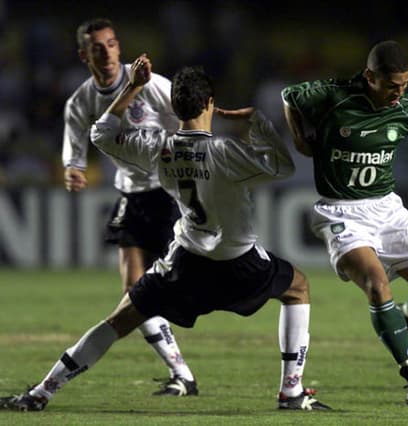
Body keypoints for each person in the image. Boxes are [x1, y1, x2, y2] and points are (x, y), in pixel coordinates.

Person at [0, 57, 330, 412]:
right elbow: (283, 165)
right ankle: (290, 393)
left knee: (119, 320)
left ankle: (42, 393)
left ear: (173, 105)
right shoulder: (225, 152)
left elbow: (101, 134)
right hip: (238, 262)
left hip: (185, 262)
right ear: (209, 104)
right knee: (297, 288)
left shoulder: (159, 146)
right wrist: (255, 121)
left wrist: (132, 88)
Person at [282, 40, 408, 408]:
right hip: (341, 212)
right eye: (393, 85)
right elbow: (290, 97)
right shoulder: (333, 96)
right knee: (377, 286)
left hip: (388, 210)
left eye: (405, 84)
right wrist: (299, 137)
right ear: (369, 77)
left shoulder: (404, 109)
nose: (400, 92)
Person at [61, 18, 197, 395]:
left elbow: (193, 115)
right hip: (131, 195)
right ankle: (182, 375)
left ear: (119, 47)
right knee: (134, 290)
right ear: (83, 55)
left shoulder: (150, 82)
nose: (105, 52)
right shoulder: (82, 100)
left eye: (110, 44)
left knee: (160, 291)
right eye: (96, 47)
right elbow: (74, 148)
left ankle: (183, 375)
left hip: (168, 192)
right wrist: (73, 170)